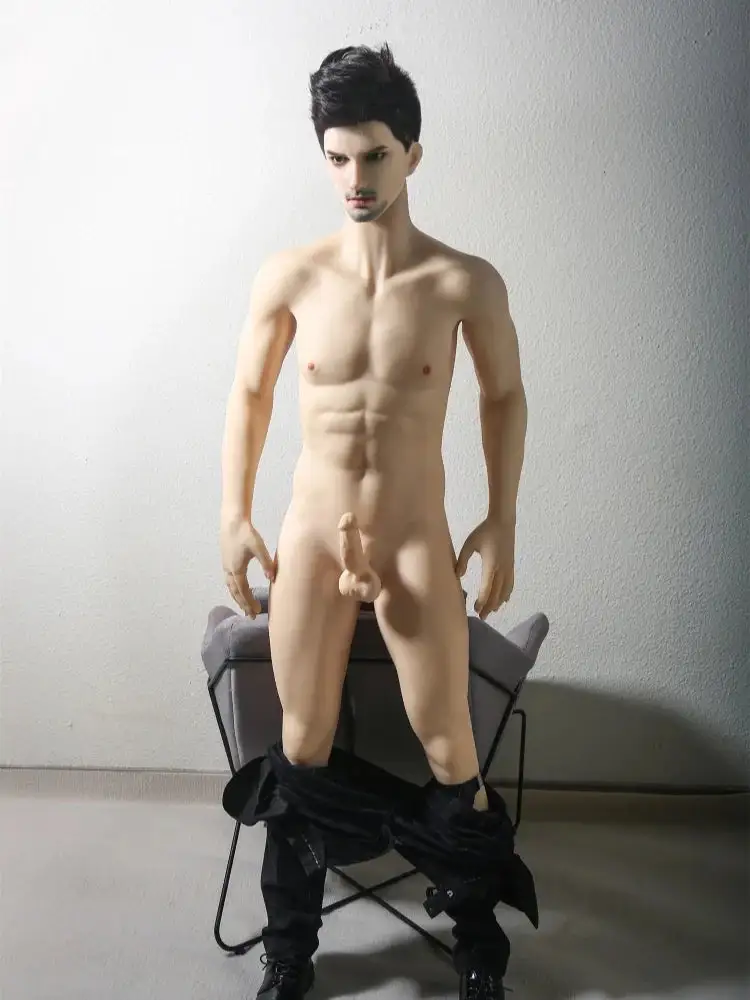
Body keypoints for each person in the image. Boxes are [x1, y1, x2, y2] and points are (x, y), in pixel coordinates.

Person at [219, 43, 537, 1000]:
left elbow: (504, 396)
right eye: (337, 158)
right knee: (302, 744)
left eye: (374, 156)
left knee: (450, 747)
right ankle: (290, 950)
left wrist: (503, 518)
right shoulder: (292, 275)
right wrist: (234, 512)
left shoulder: (462, 281)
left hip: (410, 537)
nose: (355, 178)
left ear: (412, 155)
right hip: (315, 535)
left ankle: (476, 940)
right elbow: (248, 394)